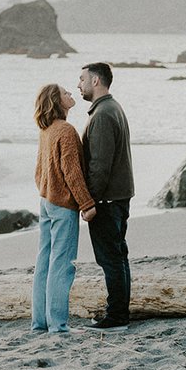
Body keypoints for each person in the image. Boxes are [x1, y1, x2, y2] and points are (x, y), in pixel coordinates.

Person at [31, 82, 96, 335]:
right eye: (65, 93)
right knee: (62, 264)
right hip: (61, 205)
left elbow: (39, 172)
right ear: (57, 102)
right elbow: (72, 173)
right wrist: (86, 204)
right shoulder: (66, 131)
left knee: (44, 263)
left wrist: (46, 190)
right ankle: (58, 325)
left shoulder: (46, 130)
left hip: (46, 202)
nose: (71, 94)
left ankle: (40, 323)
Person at [78, 62, 134, 330]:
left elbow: (99, 165)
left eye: (82, 80)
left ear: (96, 81)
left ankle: (117, 317)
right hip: (119, 196)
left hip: (107, 200)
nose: (79, 85)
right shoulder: (113, 108)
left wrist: (89, 201)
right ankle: (120, 313)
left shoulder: (101, 115)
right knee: (118, 256)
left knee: (110, 259)